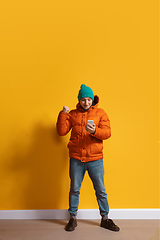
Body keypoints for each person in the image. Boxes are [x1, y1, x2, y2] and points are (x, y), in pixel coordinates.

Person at [56, 84, 120, 232]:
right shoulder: (72, 114)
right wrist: (63, 114)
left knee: (101, 190)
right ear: (79, 100)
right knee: (74, 189)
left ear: (92, 100)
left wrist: (95, 131)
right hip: (76, 159)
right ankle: (72, 218)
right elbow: (61, 132)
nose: (86, 102)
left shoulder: (101, 113)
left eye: (89, 99)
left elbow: (107, 133)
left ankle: (105, 219)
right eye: (83, 100)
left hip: (95, 159)